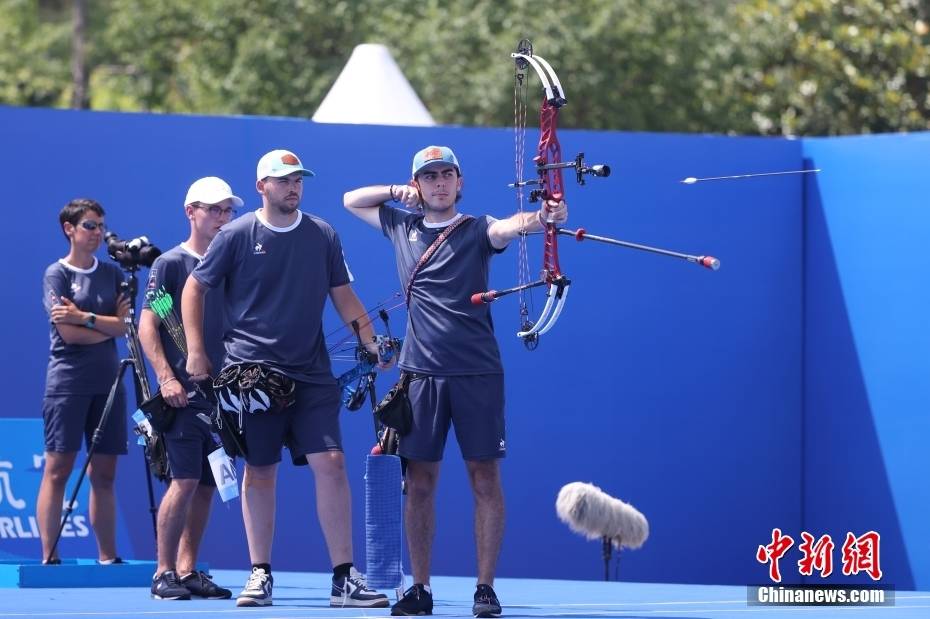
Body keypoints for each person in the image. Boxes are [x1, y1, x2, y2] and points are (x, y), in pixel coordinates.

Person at [342, 145, 568, 617]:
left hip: (477, 372)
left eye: (447, 175)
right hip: (421, 375)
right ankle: (419, 588)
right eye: (429, 177)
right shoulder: (401, 225)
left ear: (459, 182)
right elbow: (351, 200)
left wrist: (546, 214)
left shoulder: (477, 229)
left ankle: (485, 589)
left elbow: (513, 226)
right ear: (418, 185)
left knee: (484, 477)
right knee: (420, 482)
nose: (439, 183)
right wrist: (393, 191)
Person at [181, 149, 390, 609]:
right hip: (252, 375)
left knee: (332, 462)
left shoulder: (322, 234)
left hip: (312, 374)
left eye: (298, 180)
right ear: (262, 187)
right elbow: (194, 288)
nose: (293, 187)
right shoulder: (237, 234)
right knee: (260, 471)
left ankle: (343, 578)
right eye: (283, 180)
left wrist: (373, 343)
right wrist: (196, 350)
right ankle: (260, 574)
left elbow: (344, 296)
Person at [139, 177, 239, 600]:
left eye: (226, 210)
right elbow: (151, 324)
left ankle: (187, 568)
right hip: (181, 394)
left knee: (208, 485)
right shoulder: (172, 265)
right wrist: (166, 377)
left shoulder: (231, 262)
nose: (221, 217)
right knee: (182, 480)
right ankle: (163, 572)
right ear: (191, 212)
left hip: (224, 395)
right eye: (213, 209)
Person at [37, 198, 130, 565]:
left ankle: (108, 556)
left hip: (108, 384)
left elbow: (126, 328)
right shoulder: (55, 275)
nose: (98, 233)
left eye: (101, 226)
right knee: (58, 470)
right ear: (69, 229)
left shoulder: (111, 274)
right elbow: (68, 334)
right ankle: (50, 556)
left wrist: (85, 317)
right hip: (67, 384)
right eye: (90, 226)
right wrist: (105, 326)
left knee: (104, 474)